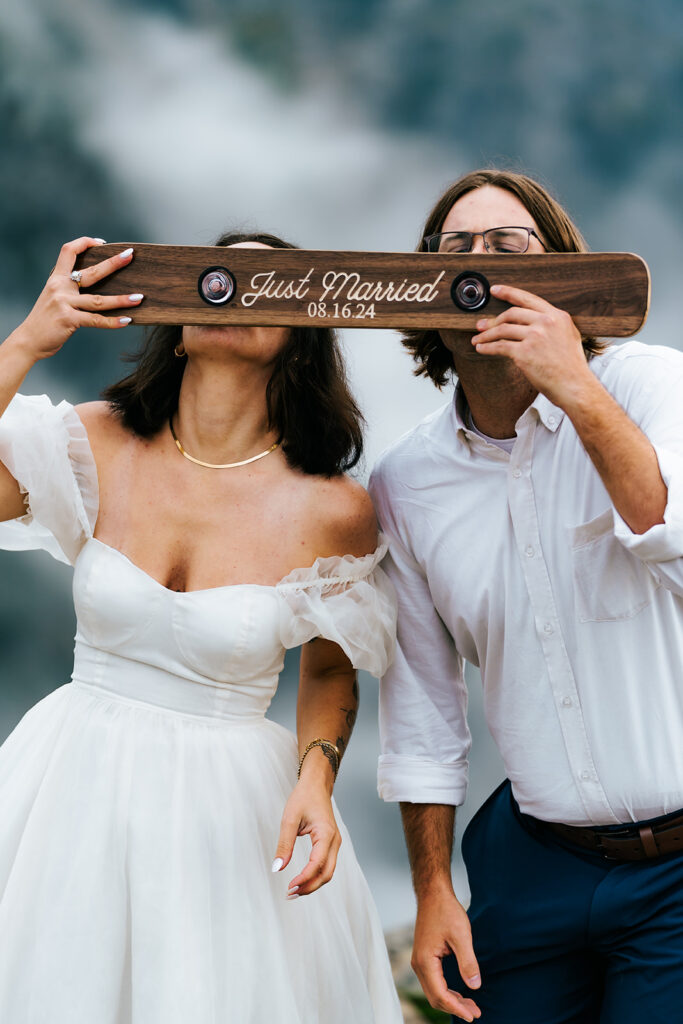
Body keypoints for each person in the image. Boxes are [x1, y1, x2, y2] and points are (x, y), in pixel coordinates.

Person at [0, 231, 403, 1023]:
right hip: (69, 779)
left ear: (300, 337)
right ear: (177, 309)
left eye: (262, 283)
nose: (232, 293)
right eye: (215, 276)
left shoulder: (335, 508)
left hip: (229, 811)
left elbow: (329, 668)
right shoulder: (97, 441)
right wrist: (25, 341)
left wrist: (315, 780)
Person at [368, 168, 683, 1024]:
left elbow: (675, 542)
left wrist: (573, 385)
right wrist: (432, 890)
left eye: (509, 248)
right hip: (530, 865)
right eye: (454, 250)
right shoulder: (405, 482)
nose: (478, 265)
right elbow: (422, 712)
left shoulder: (652, 386)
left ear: (561, 273)